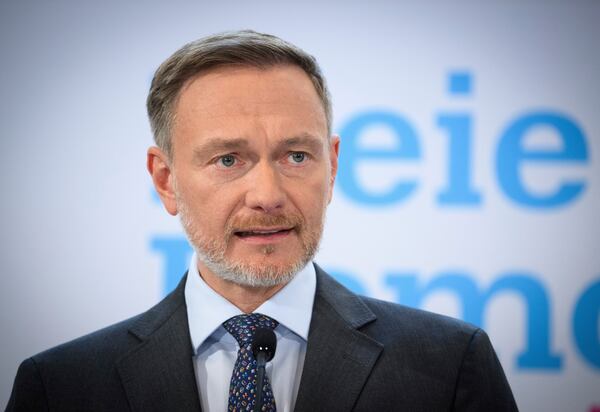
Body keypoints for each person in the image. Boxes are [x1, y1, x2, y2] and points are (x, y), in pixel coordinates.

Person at [6, 30, 518, 412]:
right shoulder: (60, 387)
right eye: (229, 160)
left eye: (296, 156)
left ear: (333, 166)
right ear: (166, 180)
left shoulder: (450, 367)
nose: (269, 195)